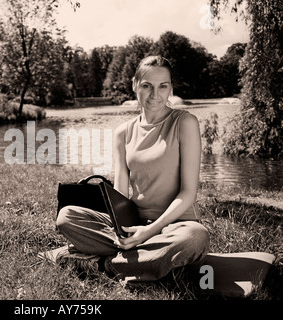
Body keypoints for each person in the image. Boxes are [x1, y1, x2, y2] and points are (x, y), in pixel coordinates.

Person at [56, 55, 210, 281]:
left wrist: (149, 231)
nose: (155, 94)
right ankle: (143, 259)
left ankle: (105, 264)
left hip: (174, 226)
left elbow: (188, 192)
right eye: (147, 86)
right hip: (134, 225)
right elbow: (120, 194)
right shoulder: (123, 132)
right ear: (134, 85)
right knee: (66, 216)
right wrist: (124, 230)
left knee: (197, 237)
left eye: (162, 86)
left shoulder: (185, 122)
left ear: (170, 89)